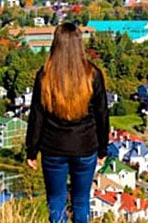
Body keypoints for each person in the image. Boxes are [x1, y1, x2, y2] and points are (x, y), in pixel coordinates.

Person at [26, 22, 109, 223]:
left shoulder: (45, 76)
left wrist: (31, 150)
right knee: (81, 200)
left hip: (53, 147)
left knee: (56, 200)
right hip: (85, 146)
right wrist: (103, 149)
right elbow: (102, 115)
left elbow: (37, 116)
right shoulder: (93, 74)